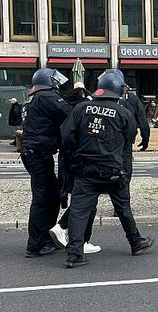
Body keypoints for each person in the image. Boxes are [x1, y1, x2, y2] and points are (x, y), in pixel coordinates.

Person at [59, 71, 154, 268]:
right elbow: (129, 140)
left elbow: (67, 136)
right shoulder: (124, 113)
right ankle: (135, 242)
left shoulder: (80, 108)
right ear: (118, 91)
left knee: (78, 211)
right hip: (113, 169)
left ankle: (74, 254)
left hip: (85, 168)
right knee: (123, 208)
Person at [48, 81, 102, 255]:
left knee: (80, 198)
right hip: (81, 158)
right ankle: (75, 236)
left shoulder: (62, 105)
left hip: (65, 157)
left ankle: (66, 230)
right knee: (87, 200)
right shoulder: (86, 108)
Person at [22, 68, 71, 258]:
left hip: (34, 152)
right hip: (39, 153)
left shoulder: (32, 99)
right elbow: (69, 112)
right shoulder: (46, 96)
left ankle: (46, 238)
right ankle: (35, 245)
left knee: (51, 197)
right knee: (42, 199)